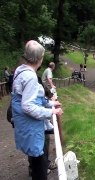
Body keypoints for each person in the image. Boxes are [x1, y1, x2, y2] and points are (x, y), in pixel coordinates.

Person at [11, 40, 63, 180]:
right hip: (31, 128)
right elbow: (28, 105)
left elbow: (33, 98)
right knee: (39, 167)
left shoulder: (20, 71)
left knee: (36, 163)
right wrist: (51, 111)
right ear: (40, 59)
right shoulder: (30, 77)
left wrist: (50, 103)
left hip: (26, 127)